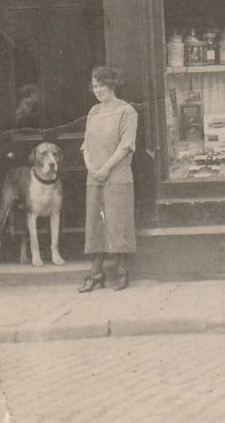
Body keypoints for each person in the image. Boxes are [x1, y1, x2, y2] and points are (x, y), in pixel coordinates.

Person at [78, 65, 137, 293]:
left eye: (101, 85)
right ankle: (96, 273)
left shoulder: (127, 111)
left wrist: (106, 167)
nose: (98, 90)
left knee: (117, 221)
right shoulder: (93, 112)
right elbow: (86, 144)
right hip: (95, 176)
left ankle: (122, 271)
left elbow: (126, 145)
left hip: (117, 175)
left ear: (112, 84)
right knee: (95, 222)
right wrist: (91, 167)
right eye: (94, 86)